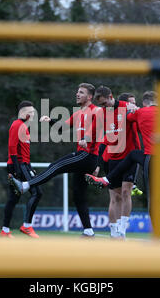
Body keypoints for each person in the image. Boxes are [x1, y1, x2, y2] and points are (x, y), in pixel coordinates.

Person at [85, 91, 160, 235]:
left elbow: (123, 120)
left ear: (144, 103)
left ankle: (157, 232)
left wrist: (128, 110)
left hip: (152, 159)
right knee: (135, 158)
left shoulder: (140, 113)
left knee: (151, 197)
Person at [9, 83, 102, 238]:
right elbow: (63, 128)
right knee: (79, 195)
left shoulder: (96, 110)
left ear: (90, 97)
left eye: (81, 92)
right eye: (77, 91)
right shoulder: (79, 113)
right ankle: (88, 231)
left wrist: (87, 139)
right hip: (84, 157)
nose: (77, 94)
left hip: (87, 156)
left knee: (56, 166)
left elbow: (99, 126)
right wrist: (50, 120)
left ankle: (25, 185)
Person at [93, 86, 140, 239]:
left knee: (126, 192)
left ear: (111, 97)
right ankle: (113, 232)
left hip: (130, 157)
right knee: (115, 197)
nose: (103, 107)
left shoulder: (127, 107)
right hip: (113, 158)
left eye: (105, 103)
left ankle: (122, 230)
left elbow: (146, 122)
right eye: (101, 105)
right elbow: (99, 137)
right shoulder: (102, 114)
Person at [1, 101, 43, 238]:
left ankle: (5, 231)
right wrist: (17, 170)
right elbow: (12, 149)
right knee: (37, 192)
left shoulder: (24, 126)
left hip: (24, 165)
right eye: (30, 112)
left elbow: (23, 151)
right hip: (18, 165)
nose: (32, 115)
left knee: (14, 198)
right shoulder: (16, 125)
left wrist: (29, 167)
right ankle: (27, 226)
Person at [118, 93, 143, 197]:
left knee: (125, 192)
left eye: (135, 103)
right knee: (117, 193)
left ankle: (134, 184)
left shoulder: (134, 117)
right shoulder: (117, 116)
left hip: (132, 156)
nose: (135, 106)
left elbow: (145, 128)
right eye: (132, 103)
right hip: (117, 156)